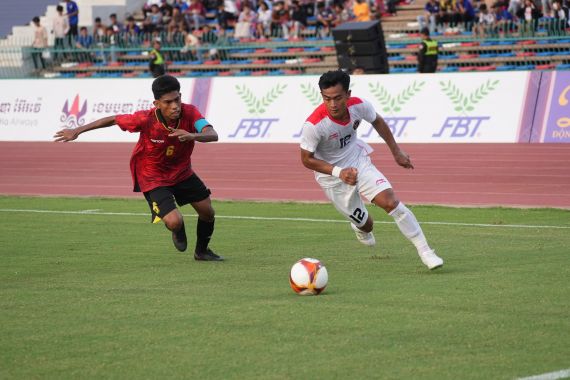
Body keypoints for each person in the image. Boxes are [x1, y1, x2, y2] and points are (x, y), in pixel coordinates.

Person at [53, 75, 223, 261]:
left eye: (177, 99)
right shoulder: (144, 119)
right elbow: (113, 120)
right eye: (168, 102)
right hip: (152, 176)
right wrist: (77, 130)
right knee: (174, 221)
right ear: (157, 103)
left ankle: (202, 251)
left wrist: (192, 135)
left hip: (182, 172)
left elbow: (212, 134)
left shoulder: (191, 113)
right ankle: (177, 228)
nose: (175, 106)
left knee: (208, 212)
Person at [299, 70, 443, 270]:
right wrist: (339, 172)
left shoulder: (359, 105)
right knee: (367, 224)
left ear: (348, 94)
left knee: (391, 202)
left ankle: (426, 252)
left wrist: (396, 151)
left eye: (338, 98)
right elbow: (306, 159)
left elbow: (378, 121)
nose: (332, 104)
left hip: (358, 162)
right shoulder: (314, 125)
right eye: (327, 99)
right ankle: (360, 227)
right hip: (332, 178)